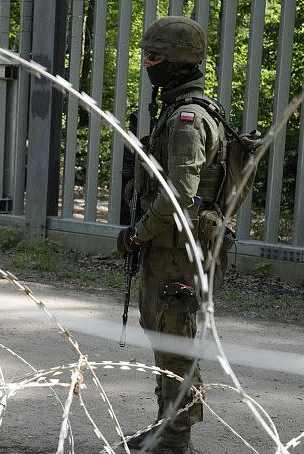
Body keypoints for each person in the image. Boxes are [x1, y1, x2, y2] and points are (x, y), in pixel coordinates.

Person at [116, 16, 226, 454]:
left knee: (175, 343)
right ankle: (167, 429)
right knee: (166, 339)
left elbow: (182, 192)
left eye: (154, 57)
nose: (146, 64)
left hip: (179, 252)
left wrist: (138, 234)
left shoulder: (186, 118)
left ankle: (175, 440)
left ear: (178, 63)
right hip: (175, 249)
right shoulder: (179, 112)